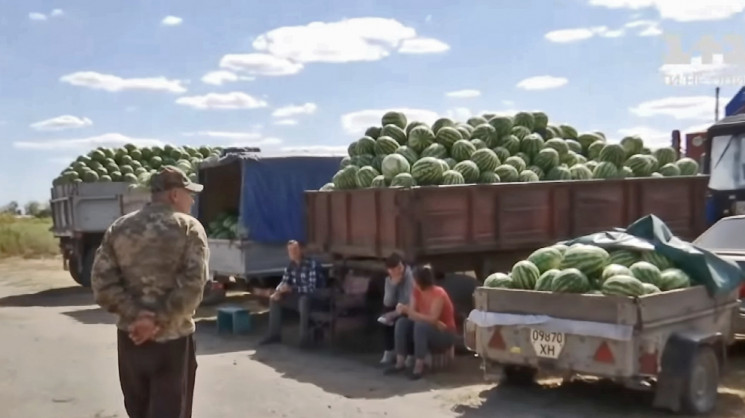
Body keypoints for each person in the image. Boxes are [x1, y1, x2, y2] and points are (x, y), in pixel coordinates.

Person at [91, 165, 209, 418]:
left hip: (132, 339)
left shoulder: (119, 227)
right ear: (174, 194)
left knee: (138, 410)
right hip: (173, 340)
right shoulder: (188, 227)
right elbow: (193, 285)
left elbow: (102, 284)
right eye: (190, 193)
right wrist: (157, 320)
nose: (192, 199)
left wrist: (138, 317)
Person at [385, 264, 457, 380]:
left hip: (444, 332)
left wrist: (414, 314)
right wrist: (407, 311)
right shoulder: (416, 291)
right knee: (402, 323)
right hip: (431, 326)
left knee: (420, 326)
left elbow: (432, 318)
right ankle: (400, 362)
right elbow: (412, 315)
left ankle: (419, 366)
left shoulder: (438, 293)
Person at [260, 240, 326, 347]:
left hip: (314, 298)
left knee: (303, 300)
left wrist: (292, 289)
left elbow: (311, 288)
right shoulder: (291, 265)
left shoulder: (311, 265)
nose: (292, 253)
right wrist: (278, 291)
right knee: (274, 299)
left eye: (295, 250)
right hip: (297, 296)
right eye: (290, 251)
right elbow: (284, 281)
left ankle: (304, 340)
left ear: (302, 251)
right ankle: (274, 335)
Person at [378, 252, 413, 365]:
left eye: (400, 267)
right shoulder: (389, 280)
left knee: (399, 321)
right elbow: (387, 302)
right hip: (397, 307)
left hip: (409, 307)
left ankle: (408, 355)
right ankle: (389, 350)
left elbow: (408, 300)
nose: (399, 270)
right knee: (385, 314)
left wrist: (394, 314)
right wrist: (393, 284)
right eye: (395, 269)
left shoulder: (410, 277)